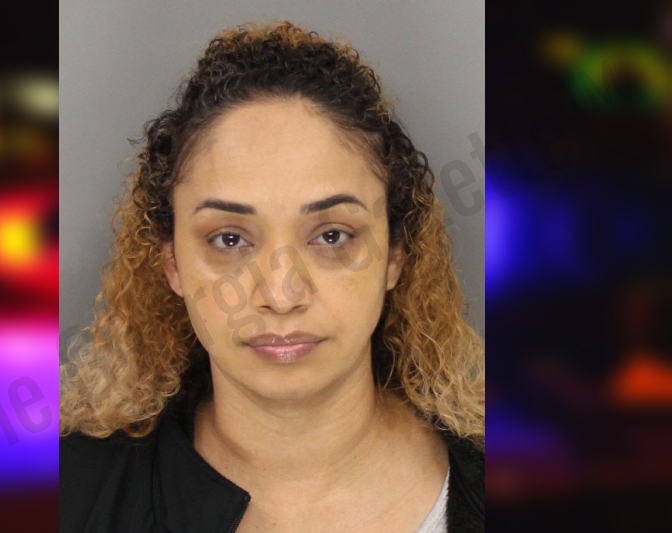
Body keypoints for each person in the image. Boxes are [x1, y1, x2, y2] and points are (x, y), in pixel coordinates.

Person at [60, 21, 484, 533]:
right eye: (229, 240)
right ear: (170, 261)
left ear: (395, 254)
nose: (281, 296)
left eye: (331, 236)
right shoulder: (68, 496)